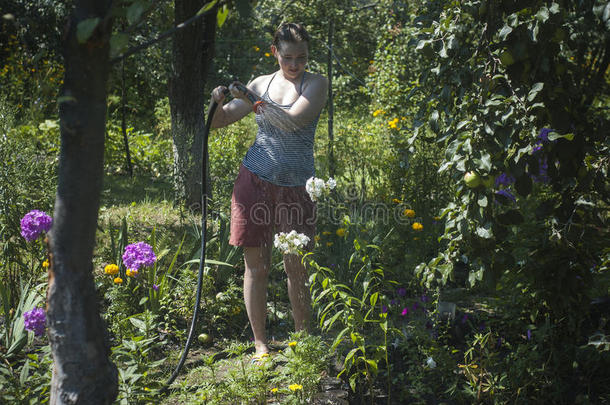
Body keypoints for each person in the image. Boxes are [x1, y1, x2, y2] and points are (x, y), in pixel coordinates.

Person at [210, 23, 328, 357]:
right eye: (287, 57)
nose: (294, 64)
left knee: (297, 267)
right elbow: (221, 121)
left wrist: (250, 98)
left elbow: (293, 120)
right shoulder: (261, 83)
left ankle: (303, 340)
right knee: (256, 267)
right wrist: (218, 101)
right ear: (274, 52)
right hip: (254, 179)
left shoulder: (317, 83)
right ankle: (260, 344)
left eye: (301, 57)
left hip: (297, 187)